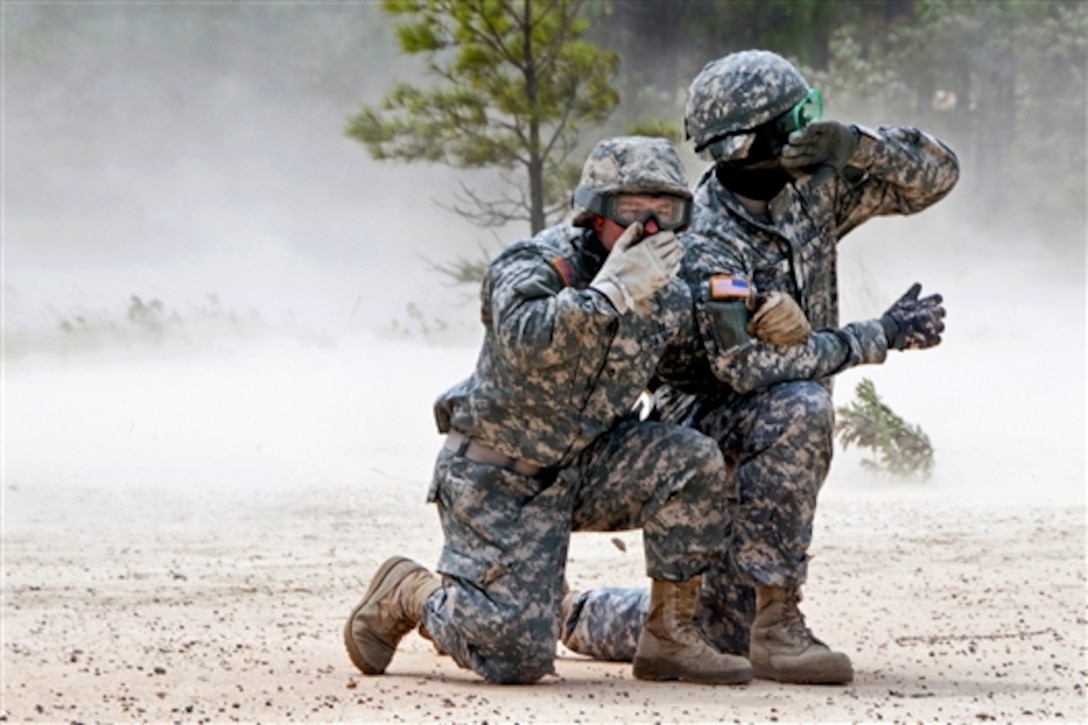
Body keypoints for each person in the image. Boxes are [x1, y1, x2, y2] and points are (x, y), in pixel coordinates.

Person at [559, 49, 959, 685]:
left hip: (776, 430)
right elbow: (749, 369)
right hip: (710, 436)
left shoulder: (813, 188)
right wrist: (875, 336)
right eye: (799, 118)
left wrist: (856, 145)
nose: (810, 125)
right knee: (799, 403)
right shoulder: (703, 239)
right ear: (754, 142)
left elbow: (937, 175)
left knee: (721, 630)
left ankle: (615, 613)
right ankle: (770, 625)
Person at [342, 136, 802, 686]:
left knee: (691, 459)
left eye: (667, 214)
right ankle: (411, 591)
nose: (650, 230)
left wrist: (770, 329)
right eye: (632, 213)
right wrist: (607, 294)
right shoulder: (536, 262)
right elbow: (522, 335)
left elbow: (703, 370)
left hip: (588, 468)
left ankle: (670, 638)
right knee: (516, 659)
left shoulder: (667, 289)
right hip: (499, 477)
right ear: (596, 214)